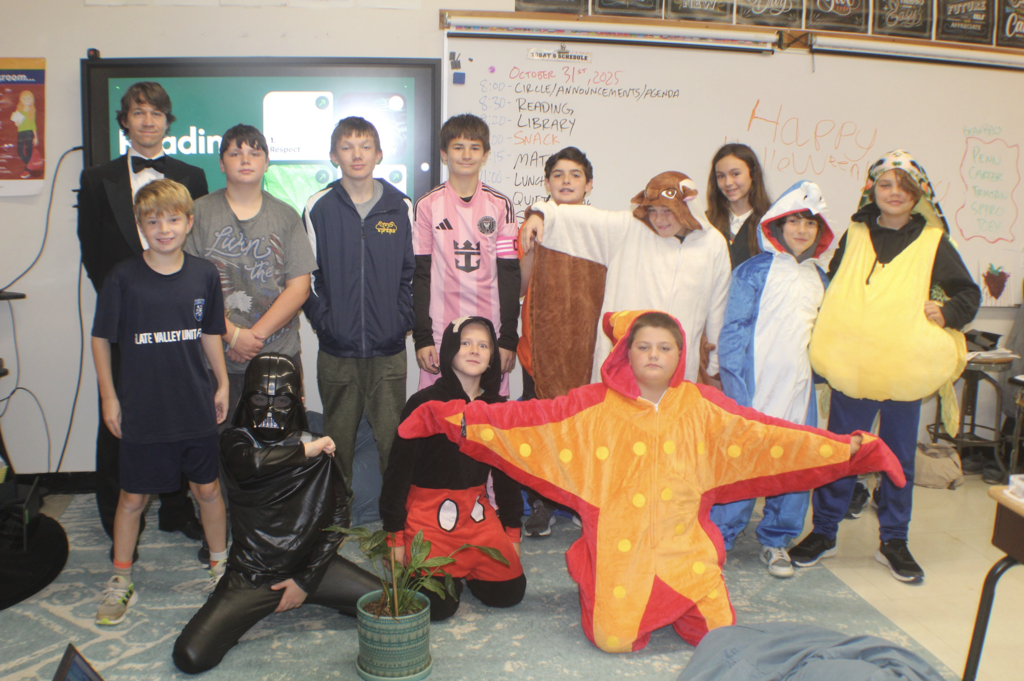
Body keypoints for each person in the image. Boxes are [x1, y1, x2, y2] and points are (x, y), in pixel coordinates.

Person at [399, 310, 905, 653]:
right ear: (626, 354)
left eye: (666, 347)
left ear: (679, 353)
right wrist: (452, 417)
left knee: (720, 637)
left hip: (688, 554)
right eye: (644, 346)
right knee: (613, 641)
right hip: (623, 553)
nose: (655, 355)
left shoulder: (704, 406)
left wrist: (850, 450)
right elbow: (525, 422)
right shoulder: (591, 406)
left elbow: (769, 438)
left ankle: (683, 598)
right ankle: (594, 576)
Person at [791, 150, 981, 583]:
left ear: (918, 195)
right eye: (885, 184)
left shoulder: (934, 242)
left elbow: (968, 295)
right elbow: (834, 289)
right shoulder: (855, 234)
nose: (894, 193)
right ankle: (824, 533)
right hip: (853, 370)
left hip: (902, 370)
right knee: (842, 452)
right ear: (871, 191)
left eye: (904, 186)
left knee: (897, 460)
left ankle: (894, 539)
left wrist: (947, 313)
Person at [173, 353, 379, 674]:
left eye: (281, 401)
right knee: (190, 656)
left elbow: (339, 519)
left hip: (311, 566)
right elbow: (252, 463)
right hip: (253, 574)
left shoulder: (317, 451)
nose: (269, 410)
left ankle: (318, 597)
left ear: (299, 399)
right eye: (259, 397)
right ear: (246, 398)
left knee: (399, 607)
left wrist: (305, 581)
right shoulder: (234, 441)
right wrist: (306, 450)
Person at [90, 179, 229, 626]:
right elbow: (100, 339)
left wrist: (222, 383)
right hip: (144, 409)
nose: (164, 228)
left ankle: (220, 567)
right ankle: (120, 578)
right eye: (153, 221)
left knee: (207, 490)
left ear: (189, 222)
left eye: (173, 219)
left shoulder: (205, 274)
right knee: (132, 497)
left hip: (193, 404)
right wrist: (110, 397)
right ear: (140, 226)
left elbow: (211, 333)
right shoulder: (123, 278)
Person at [77, 81, 209, 547]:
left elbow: (196, 249)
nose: (148, 120)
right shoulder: (97, 179)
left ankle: (176, 510)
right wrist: (130, 301)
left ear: (167, 122)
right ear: (125, 121)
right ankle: (116, 516)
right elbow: (92, 253)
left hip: (179, 320)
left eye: (156, 113)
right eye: (138, 113)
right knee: (118, 420)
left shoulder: (193, 176)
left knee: (177, 412)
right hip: (125, 319)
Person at [711, 181, 835, 578]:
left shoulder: (822, 278)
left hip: (798, 392)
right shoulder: (754, 271)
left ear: (820, 232)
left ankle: (777, 539)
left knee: (794, 464)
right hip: (753, 387)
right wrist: (735, 389)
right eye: (794, 221)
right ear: (777, 226)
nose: (801, 230)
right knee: (739, 463)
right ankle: (719, 537)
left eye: (809, 223)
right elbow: (733, 331)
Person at [520, 171, 731, 386]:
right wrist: (540, 214)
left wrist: (714, 369)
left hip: (680, 368)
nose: (658, 219)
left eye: (667, 211)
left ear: (686, 208)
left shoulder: (713, 244)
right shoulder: (629, 228)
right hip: (623, 363)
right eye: (653, 210)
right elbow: (581, 219)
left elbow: (717, 312)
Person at [380, 316, 525, 621]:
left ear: (491, 358)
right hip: (429, 514)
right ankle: (446, 569)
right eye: (466, 343)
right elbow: (398, 473)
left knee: (509, 593)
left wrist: (512, 533)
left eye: (484, 345)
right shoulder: (422, 402)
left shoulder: (497, 408)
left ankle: (468, 567)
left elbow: (507, 476)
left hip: (477, 514)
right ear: (449, 351)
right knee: (436, 608)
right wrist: (395, 539)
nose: (475, 350)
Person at [302, 116, 414, 506]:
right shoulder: (318, 207)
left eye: (365, 146)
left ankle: (393, 519)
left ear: (379, 153)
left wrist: (400, 322)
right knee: (337, 442)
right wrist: (325, 323)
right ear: (334, 155)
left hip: (388, 351)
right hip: (337, 350)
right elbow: (308, 276)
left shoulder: (400, 206)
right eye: (347, 147)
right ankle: (335, 514)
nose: (357, 154)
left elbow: (411, 274)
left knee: (393, 440)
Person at [186, 123, 315, 420]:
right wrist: (231, 335)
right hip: (213, 358)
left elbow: (299, 288)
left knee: (279, 450)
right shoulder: (199, 213)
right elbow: (190, 288)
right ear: (221, 163)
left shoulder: (286, 216)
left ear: (267, 162)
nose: (245, 160)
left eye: (254, 153)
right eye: (235, 153)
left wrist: (252, 337)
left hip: (278, 356)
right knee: (218, 446)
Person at [517, 147, 596, 537]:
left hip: (584, 348)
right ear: (547, 183)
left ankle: (582, 499)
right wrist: (532, 240)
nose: (566, 181)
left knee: (583, 428)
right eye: (559, 175)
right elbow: (521, 285)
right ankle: (541, 502)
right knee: (540, 427)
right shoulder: (535, 224)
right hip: (539, 349)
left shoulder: (600, 227)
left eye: (575, 175)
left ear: (589, 184)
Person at [413, 114, 520, 395]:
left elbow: (509, 275)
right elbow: (420, 275)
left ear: (485, 155)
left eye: (474, 147)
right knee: (438, 415)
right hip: (439, 331)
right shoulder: (427, 205)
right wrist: (422, 338)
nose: (466, 155)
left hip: (490, 332)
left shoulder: (501, 206)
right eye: (458, 147)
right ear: (444, 154)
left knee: (488, 420)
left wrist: (508, 339)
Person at [705, 144, 772, 269]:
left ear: (753, 174)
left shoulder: (772, 223)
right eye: (720, 176)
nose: (728, 183)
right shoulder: (705, 222)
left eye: (735, 174)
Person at [12, 90, 38, 179]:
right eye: (24, 98)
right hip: (21, 132)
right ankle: (28, 165)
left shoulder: (32, 110)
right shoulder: (19, 110)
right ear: (21, 100)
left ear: (32, 99)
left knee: (29, 151)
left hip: (29, 132)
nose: (26, 100)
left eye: (28, 98)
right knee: (20, 151)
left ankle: (26, 170)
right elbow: (16, 123)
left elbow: (33, 123)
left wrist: (36, 136)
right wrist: (23, 112)